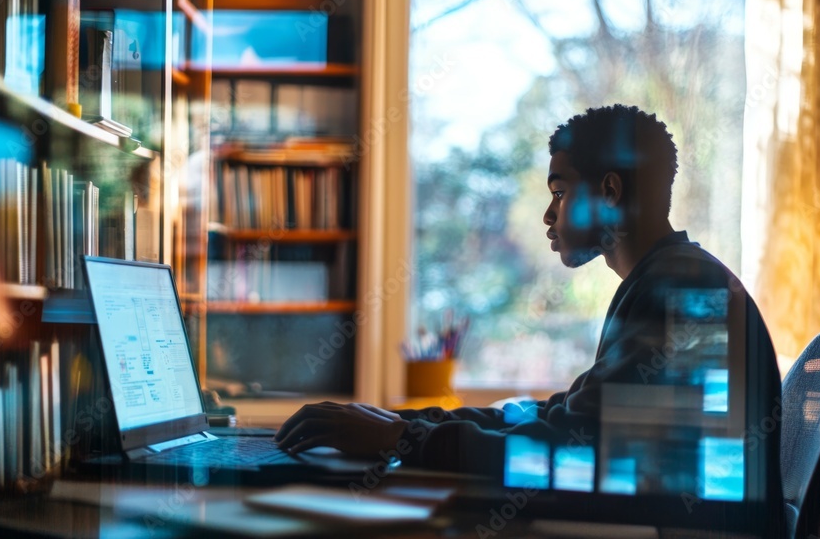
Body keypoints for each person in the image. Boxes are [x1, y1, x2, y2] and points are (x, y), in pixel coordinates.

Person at [275, 105, 782, 503]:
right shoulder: (670, 278)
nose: (548, 213)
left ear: (609, 192)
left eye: (560, 192)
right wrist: (401, 425)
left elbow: (566, 452)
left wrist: (403, 440)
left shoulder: (680, 291)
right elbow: (564, 418)